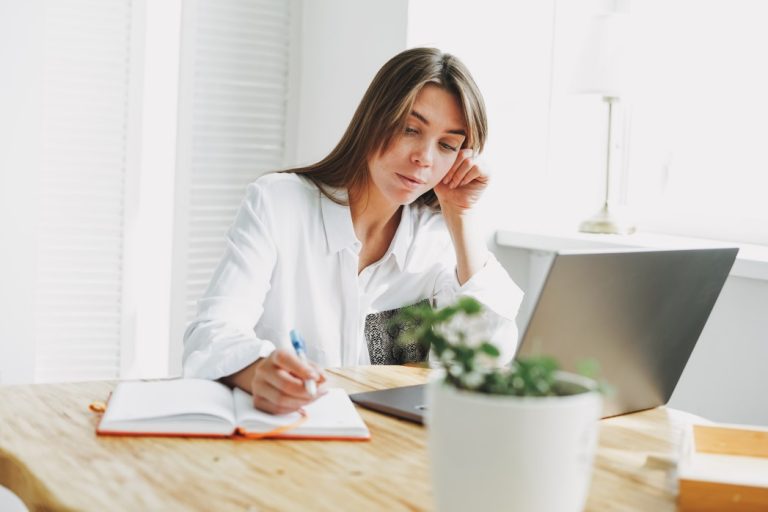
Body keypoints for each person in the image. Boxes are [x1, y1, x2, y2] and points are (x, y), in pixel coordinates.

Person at [183, 47, 523, 414]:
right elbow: (210, 333)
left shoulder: (439, 238)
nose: (424, 157)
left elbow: (484, 361)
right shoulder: (279, 203)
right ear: (375, 119)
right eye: (411, 129)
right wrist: (257, 372)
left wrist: (461, 215)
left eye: (447, 145)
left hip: (386, 446)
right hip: (286, 434)